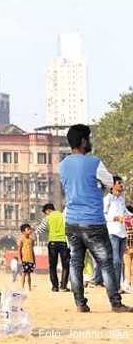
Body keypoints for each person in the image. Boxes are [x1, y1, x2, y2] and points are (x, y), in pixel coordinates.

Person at [59, 124, 132, 312]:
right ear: (83, 141)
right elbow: (109, 181)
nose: (90, 141)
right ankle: (115, 303)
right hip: (92, 221)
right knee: (106, 262)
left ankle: (80, 304)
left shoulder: (63, 165)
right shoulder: (94, 163)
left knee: (76, 262)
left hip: (72, 221)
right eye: (89, 138)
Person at [104, 176, 132, 292]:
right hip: (112, 232)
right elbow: (103, 215)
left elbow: (125, 212)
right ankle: (114, 286)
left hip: (122, 233)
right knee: (115, 260)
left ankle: (119, 285)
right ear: (112, 185)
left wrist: (130, 215)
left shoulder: (121, 199)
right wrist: (115, 218)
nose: (121, 185)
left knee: (120, 261)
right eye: (119, 183)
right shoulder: (107, 199)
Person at [36, 203, 70, 292]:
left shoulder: (47, 218)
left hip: (52, 243)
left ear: (48, 211)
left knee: (52, 266)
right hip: (64, 242)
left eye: (45, 213)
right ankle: (63, 286)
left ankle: (55, 287)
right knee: (65, 266)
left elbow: (39, 230)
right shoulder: (63, 216)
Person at [18, 223, 36, 291]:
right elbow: (19, 250)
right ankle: (22, 287)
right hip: (24, 260)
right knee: (24, 274)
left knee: (29, 274)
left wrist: (34, 260)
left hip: (30, 260)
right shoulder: (21, 240)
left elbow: (32, 251)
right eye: (28, 229)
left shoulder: (32, 240)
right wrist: (20, 259)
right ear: (23, 232)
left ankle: (29, 287)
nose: (30, 230)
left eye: (30, 229)